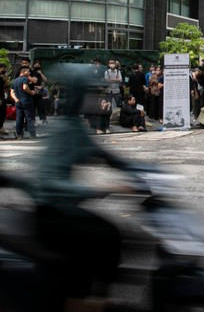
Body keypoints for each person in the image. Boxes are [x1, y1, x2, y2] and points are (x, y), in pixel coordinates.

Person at [32, 67, 135, 311]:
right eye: (92, 93)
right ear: (79, 95)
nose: (97, 99)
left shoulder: (76, 128)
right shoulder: (64, 131)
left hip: (63, 209)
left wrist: (143, 171)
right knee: (108, 234)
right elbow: (49, 183)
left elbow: (106, 156)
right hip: (51, 213)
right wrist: (102, 189)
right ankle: (89, 301)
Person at [11, 67, 37, 139]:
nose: (29, 73)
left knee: (19, 118)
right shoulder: (25, 79)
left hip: (18, 102)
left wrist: (15, 99)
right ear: (23, 72)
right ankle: (32, 134)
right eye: (28, 72)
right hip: (27, 101)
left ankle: (19, 135)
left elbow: (12, 92)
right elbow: (25, 87)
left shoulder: (15, 80)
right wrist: (31, 92)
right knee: (29, 118)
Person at [0, 62, 8, 136]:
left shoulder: (3, 77)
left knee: (3, 113)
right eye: (2, 69)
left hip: (2, 95)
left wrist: (5, 78)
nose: (4, 70)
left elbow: (6, 86)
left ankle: (1, 127)